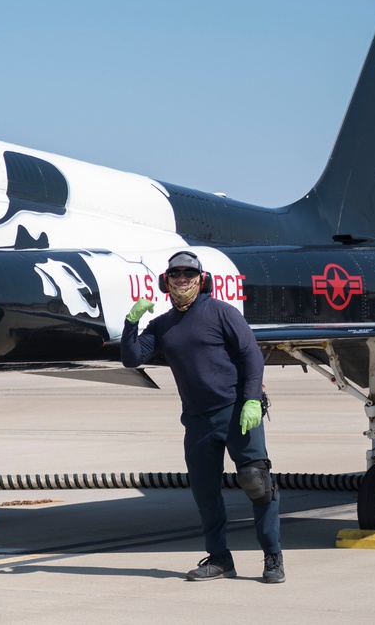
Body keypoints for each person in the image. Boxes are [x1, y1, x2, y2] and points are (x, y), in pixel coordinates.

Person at [121, 250, 284, 583]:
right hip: (197, 420)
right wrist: (131, 322)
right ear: (166, 282)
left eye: (189, 274)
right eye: (176, 275)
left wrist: (252, 400)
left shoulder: (222, 312)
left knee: (257, 482)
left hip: (237, 411)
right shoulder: (163, 325)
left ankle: (273, 557)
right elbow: (131, 357)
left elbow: (252, 357)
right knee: (205, 493)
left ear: (201, 279)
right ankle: (220, 559)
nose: (183, 280)